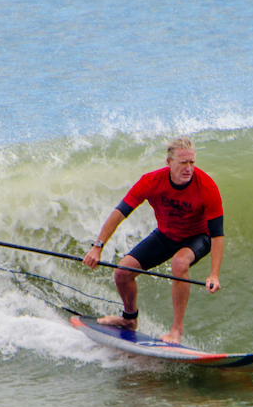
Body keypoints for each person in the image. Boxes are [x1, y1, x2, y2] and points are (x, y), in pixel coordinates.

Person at [82, 137, 224, 344]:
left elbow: (218, 235)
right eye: (183, 163)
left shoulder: (206, 187)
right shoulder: (151, 181)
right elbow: (120, 213)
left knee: (180, 262)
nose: (189, 168)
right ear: (169, 162)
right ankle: (129, 319)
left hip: (199, 237)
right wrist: (97, 247)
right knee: (122, 272)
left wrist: (214, 274)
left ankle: (176, 331)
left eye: (192, 162)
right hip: (166, 235)